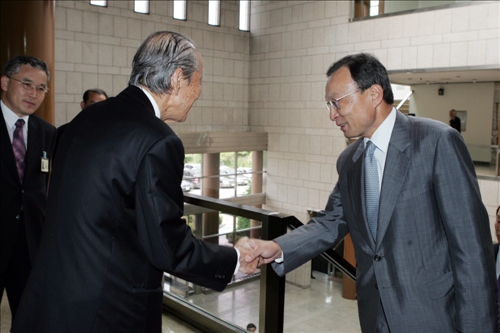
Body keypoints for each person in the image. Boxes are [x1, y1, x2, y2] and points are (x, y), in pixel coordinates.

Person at [12, 31, 257, 333]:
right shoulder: (158, 140)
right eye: (199, 81)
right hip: (106, 312)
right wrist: (233, 258)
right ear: (178, 79)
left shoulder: (79, 122)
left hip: (50, 302)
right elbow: (167, 246)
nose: (199, 91)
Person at [245, 53, 496, 332]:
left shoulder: (436, 142)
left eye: (337, 102)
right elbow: (331, 221)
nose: (331, 114)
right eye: (328, 105)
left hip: (433, 317)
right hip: (374, 316)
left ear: (374, 93)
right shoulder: (349, 160)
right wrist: (279, 247)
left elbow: (471, 247)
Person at [0, 55, 56, 323]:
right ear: (4, 82)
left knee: (29, 318)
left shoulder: (47, 133)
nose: (33, 94)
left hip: (30, 242)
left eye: (41, 88)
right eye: (26, 84)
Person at [54, 88, 108, 159]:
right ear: (83, 105)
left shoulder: (111, 133)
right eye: (93, 104)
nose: (98, 108)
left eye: (102, 104)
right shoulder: (65, 131)